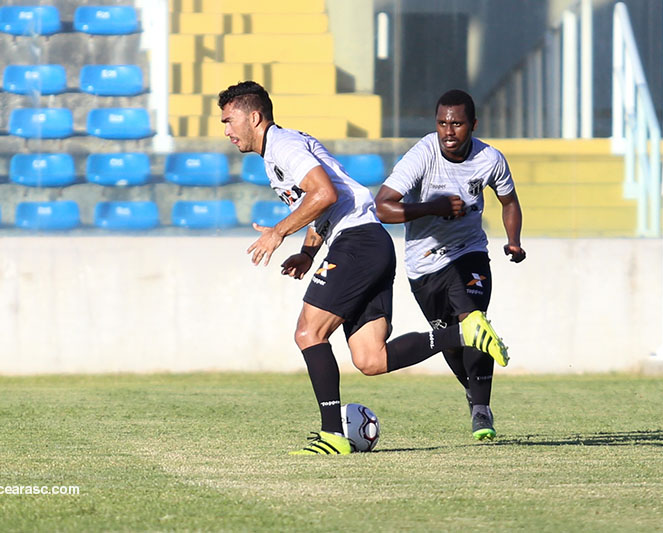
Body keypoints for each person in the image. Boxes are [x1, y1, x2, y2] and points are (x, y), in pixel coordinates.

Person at [218, 81, 508, 455]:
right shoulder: (281, 150)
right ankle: (463, 333)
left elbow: (325, 193)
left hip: (358, 243)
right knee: (371, 359)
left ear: (253, 117)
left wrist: (278, 232)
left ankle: (331, 436)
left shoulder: (283, 146)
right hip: (369, 242)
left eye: (229, 120)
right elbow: (323, 203)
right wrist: (308, 253)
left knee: (309, 333)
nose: (226, 130)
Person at [374, 89, 525, 440]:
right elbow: (383, 207)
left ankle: (482, 410)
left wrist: (513, 240)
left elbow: (509, 201)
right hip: (423, 266)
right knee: (453, 341)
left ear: (472, 124)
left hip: (469, 253)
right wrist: (433, 207)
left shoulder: (491, 159)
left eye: (456, 123)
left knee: (473, 320)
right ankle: (475, 396)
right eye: (442, 123)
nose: (448, 131)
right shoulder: (422, 155)